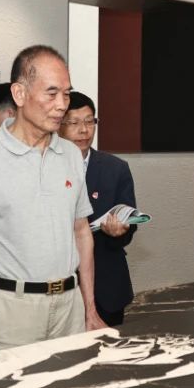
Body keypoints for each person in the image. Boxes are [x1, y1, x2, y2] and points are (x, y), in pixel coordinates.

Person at [0, 45, 104, 356]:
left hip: (69, 308)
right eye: (51, 93)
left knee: (72, 385)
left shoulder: (71, 155)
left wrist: (89, 307)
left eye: (66, 94)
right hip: (9, 312)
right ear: (19, 94)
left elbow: (81, 233)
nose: (62, 105)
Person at [60, 91, 137, 327]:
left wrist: (119, 232)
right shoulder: (45, 166)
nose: (84, 130)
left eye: (89, 121)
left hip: (106, 284)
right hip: (59, 285)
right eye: (74, 123)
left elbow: (130, 222)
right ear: (58, 125)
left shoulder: (116, 168)